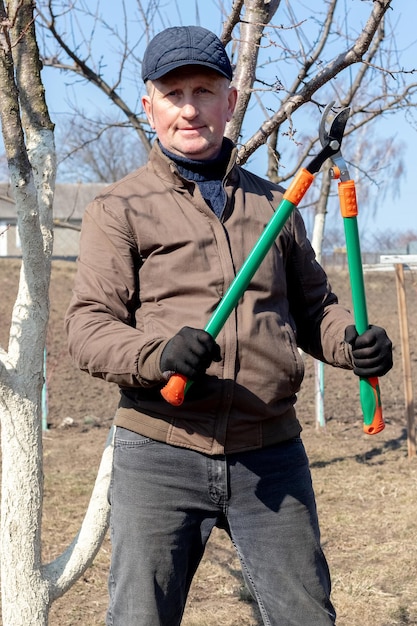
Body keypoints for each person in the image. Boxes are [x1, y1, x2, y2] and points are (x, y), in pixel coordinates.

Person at [65, 25, 393, 626]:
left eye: (204, 91)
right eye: (173, 94)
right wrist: (158, 354)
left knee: (307, 617)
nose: (189, 108)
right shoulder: (118, 209)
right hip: (160, 447)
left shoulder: (276, 206)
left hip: (269, 450)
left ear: (230, 101)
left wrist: (353, 343)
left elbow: (315, 309)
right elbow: (89, 327)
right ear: (149, 105)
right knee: (140, 618)